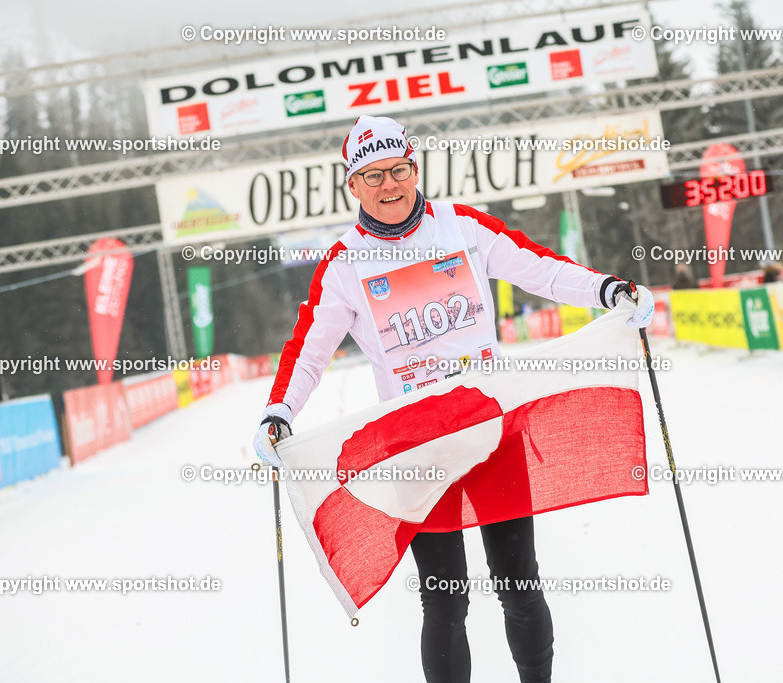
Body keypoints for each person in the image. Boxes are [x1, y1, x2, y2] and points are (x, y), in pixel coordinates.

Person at [253, 115, 654, 683]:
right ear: (353, 186)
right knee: (445, 599)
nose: (388, 186)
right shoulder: (343, 264)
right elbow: (308, 349)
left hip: (491, 431)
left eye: (397, 170)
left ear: (415, 170)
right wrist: (279, 411)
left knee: (519, 582)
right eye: (372, 176)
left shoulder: (461, 227)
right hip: (417, 450)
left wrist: (605, 289)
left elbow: (538, 268)